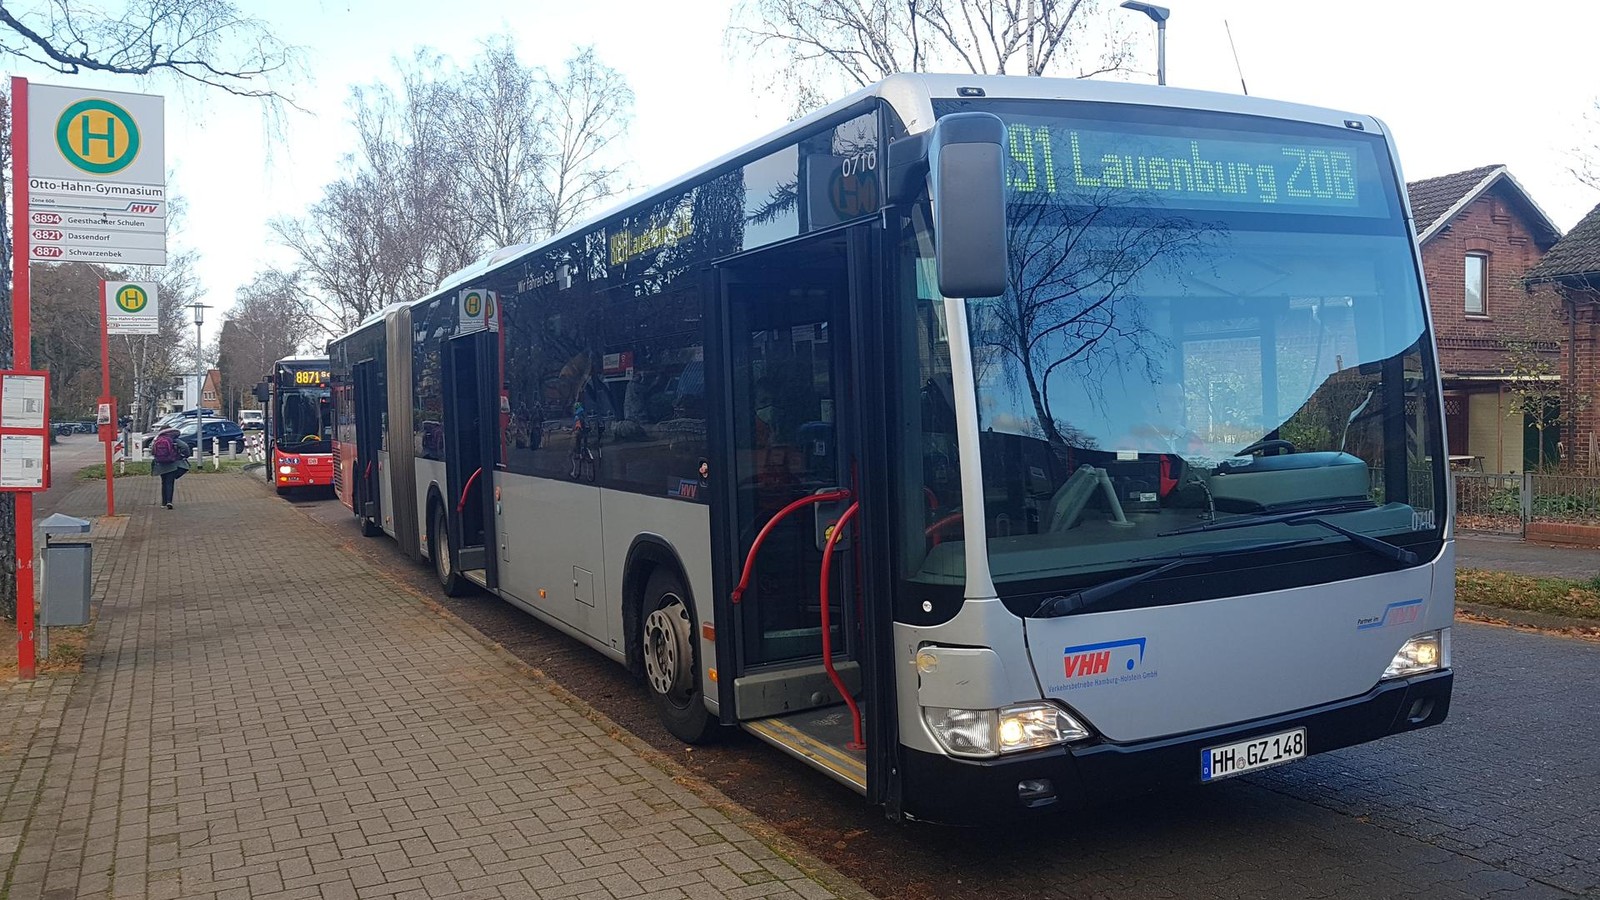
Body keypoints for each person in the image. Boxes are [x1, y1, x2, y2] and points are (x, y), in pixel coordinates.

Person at [150, 427, 192, 509]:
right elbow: (185, 447)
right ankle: (169, 501)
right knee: (170, 482)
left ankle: (163, 502)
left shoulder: (157, 439)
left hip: (161, 464)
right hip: (172, 463)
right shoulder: (173, 439)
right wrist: (182, 455)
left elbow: (152, 450)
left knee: (164, 482)